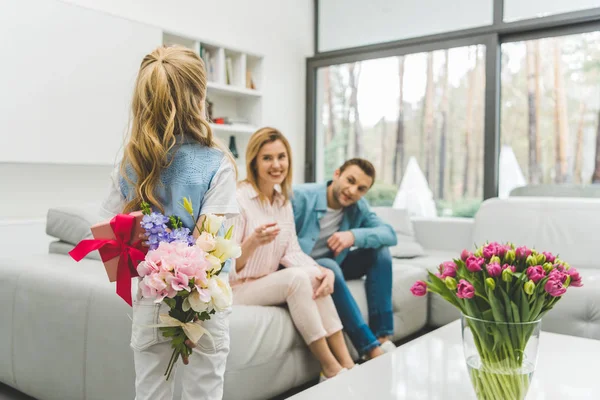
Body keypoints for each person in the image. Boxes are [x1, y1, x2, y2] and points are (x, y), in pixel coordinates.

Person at [100, 46, 238, 400]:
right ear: (199, 96)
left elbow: (110, 252)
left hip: (150, 307)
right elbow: (215, 253)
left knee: (149, 394)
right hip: (205, 308)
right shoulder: (217, 165)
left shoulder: (130, 165)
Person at [227, 127, 355, 381]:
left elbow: (293, 252)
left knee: (315, 277)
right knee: (296, 279)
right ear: (254, 161)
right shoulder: (238, 199)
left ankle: (349, 364)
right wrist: (252, 242)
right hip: (236, 287)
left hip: (263, 282)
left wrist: (323, 271)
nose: (276, 165)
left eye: (281, 157)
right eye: (267, 158)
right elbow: (226, 265)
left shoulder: (282, 201)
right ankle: (330, 368)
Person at [292, 158, 398, 360]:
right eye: (350, 180)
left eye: (361, 189)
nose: (352, 191)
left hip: (336, 264)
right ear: (337, 174)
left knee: (380, 253)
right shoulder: (301, 197)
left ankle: (383, 337)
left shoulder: (358, 206)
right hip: (302, 267)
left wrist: (353, 236)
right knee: (329, 264)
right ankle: (369, 348)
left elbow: (390, 234)